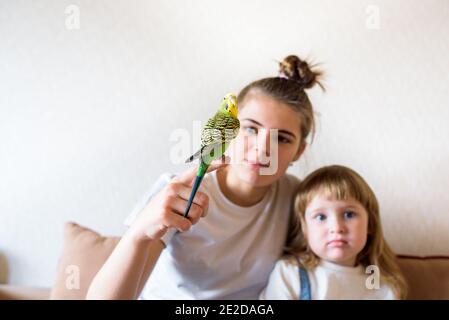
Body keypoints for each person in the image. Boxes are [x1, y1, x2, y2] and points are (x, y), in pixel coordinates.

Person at [87, 55, 325, 299]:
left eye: (282, 138)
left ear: (299, 150)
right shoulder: (180, 192)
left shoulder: (298, 199)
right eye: (251, 129)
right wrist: (139, 233)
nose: (263, 149)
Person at [260, 165, 407, 300]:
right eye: (321, 217)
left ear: (370, 224)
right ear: (305, 229)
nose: (336, 227)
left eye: (349, 214)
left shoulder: (382, 285)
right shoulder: (290, 273)